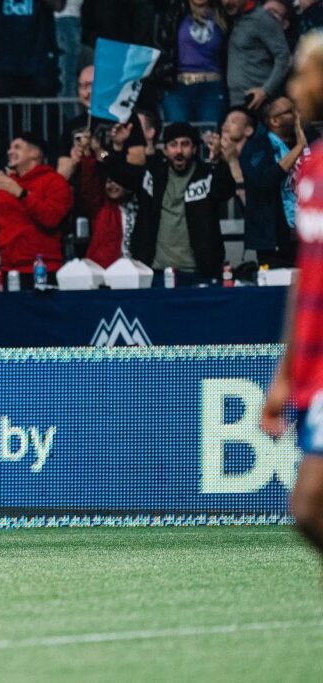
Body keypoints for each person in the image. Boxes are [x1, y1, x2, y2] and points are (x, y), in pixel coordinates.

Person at [261, 30, 323, 569]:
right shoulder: (314, 169)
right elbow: (307, 279)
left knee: (307, 505)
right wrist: (286, 374)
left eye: (303, 74)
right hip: (316, 367)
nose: (296, 87)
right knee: (309, 509)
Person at [106, 121, 236, 282]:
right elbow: (117, 172)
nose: (179, 151)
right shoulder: (152, 173)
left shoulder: (207, 173)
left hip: (199, 271)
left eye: (185, 144)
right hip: (154, 271)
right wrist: (117, 146)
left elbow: (226, 190)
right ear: (165, 150)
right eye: (173, 145)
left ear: (194, 149)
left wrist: (218, 161)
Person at [0, 132, 74, 284]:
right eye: (10, 148)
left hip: (44, 269)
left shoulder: (55, 182)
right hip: (8, 270)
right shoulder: (4, 186)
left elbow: (51, 218)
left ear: (35, 153)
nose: (9, 151)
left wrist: (21, 193)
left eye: (17, 147)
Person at [239, 96, 315, 267]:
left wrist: (304, 144)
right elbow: (264, 180)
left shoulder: (311, 139)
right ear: (275, 120)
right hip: (275, 243)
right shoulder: (256, 147)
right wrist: (298, 149)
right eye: (290, 112)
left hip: (310, 237)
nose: (297, 114)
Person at [57, 65, 147, 178]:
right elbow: (61, 176)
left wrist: (100, 152)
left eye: (92, 85)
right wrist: (74, 160)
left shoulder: (124, 118)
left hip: (116, 188)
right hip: (81, 191)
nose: (88, 92)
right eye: (82, 86)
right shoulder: (72, 126)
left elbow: (139, 162)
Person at [155, 0, 229, 126]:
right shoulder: (173, 12)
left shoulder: (224, 13)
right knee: (178, 135)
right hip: (177, 87)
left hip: (212, 87)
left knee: (209, 137)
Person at [0, 0, 64, 97]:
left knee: (41, 107)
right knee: (5, 108)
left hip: (38, 62)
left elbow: (59, 6)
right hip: (4, 63)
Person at [222, 0, 292, 110]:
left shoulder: (262, 19)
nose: (226, 2)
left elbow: (284, 57)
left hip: (258, 101)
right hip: (236, 100)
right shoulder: (233, 19)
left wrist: (266, 90)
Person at [203, 105, 255, 204]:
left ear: (248, 130)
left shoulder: (255, 159)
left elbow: (252, 206)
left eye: (233, 122)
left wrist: (233, 161)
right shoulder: (220, 160)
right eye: (225, 121)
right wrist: (214, 160)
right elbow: (214, 196)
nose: (225, 126)